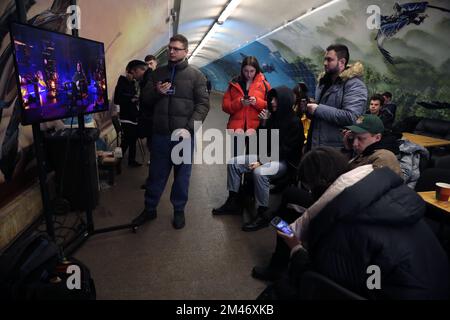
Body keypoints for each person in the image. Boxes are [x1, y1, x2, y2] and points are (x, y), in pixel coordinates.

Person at [268, 147, 449, 300]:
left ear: (315, 185)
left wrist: (296, 248)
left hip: (392, 291)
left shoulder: (341, 226)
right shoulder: (387, 196)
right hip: (433, 285)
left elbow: (324, 273)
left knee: (281, 289)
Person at [252, 115, 402, 281]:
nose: (356, 143)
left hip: (352, 217)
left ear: (378, 137)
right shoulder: (366, 151)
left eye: (361, 139)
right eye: (354, 138)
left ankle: (281, 259)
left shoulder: (384, 156)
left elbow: (364, 189)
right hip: (345, 206)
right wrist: (346, 147)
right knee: (291, 196)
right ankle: (282, 241)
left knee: (291, 203)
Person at [133, 34, 210, 230]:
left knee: (182, 176)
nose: (172, 51)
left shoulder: (196, 76)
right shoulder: (157, 73)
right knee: (156, 174)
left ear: (186, 51)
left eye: (176, 49)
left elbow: (203, 105)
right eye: (170, 48)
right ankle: (150, 208)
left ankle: (178, 210)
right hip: (160, 134)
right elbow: (145, 99)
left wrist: (190, 128)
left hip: (183, 136)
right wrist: (156, 92)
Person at [212, 86, 304, 231]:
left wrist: (262, 161)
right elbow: (260, 143)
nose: (272, 102)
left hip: (284, 162)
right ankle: (234, 201)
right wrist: (263, 124)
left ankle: (263, 213)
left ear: (285, 101)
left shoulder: (294, 122)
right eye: (271, 98)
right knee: (234, 163)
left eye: (276, 99)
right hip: (267, 156)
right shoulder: (272, 117)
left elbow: (285, 150)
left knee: (260, 172)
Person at [306, 44, 367, 150]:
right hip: (315, 143)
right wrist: (310, 109)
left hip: (334, 149)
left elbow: (351, 117)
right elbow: (321, 116)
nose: (325, 63)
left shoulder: (354, 85)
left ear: (342, 62)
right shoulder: (323, 82)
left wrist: (317, 109)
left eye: (329, 60)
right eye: (325, 59)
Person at [222, 56, 270, 133]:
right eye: (246, 71)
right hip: (235, 129)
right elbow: (225, 107)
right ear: (242, 70)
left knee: (256, 145)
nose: (249, 74)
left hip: (256, 129)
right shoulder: (234, 84)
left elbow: (271, 106)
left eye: (252, 71)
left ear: (256, 70)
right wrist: (239, 102)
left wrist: (257, 102)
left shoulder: (265, 85)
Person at [113, 60, 147, 167]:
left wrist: (135, 99)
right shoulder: (122, 81)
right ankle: (116, 161)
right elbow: (117, 99)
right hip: (126, 117)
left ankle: (131, 161)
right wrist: (131, 99)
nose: (137, 76)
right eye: (140, 71)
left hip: (132, 116)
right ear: (131, 71)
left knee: (132, 140)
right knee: (126, 141)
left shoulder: (132, 82)